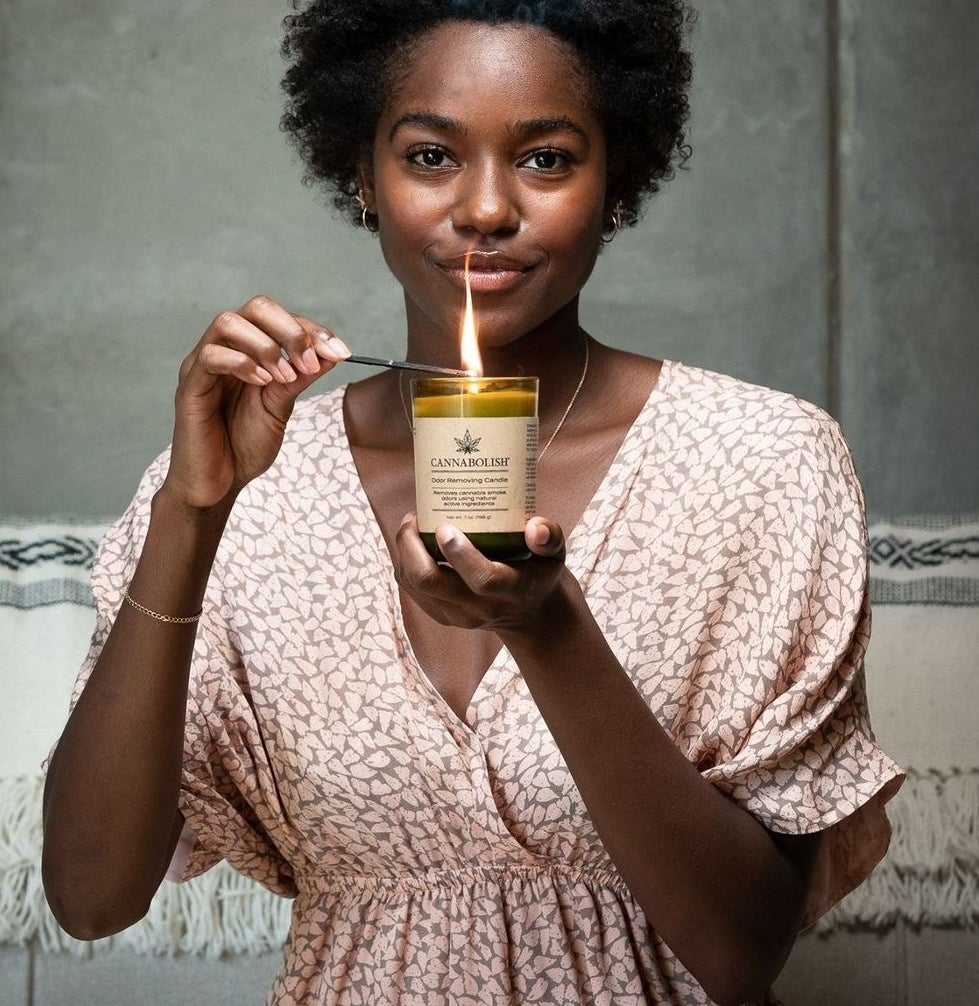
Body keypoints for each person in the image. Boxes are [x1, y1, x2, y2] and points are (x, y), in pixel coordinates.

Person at [41, 1, 903, 1004]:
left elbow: (743, 949)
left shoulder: (763, 462)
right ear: (362, 174)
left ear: (615, 180)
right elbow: (90, 897)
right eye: (430, 156)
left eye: (544, 159)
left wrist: (548, 632)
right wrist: (192, 513)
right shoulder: (243, 483)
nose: (487, 207)